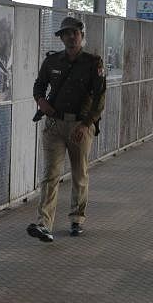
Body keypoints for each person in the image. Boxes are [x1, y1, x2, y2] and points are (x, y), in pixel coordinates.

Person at [27, 16, 107, 243]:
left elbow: (99, 98)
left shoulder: (93, 63)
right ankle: (44, 223)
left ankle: (76, 218)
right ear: (61, 38)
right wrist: (40, 100)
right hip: (54, 124)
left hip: (80, 126)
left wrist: (86, 124)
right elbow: (39, 84)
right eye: (66, 34)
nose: (71, 37)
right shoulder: (52, 62)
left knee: (79, 173)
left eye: (75, 33)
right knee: (50, 175)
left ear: (81, 36)